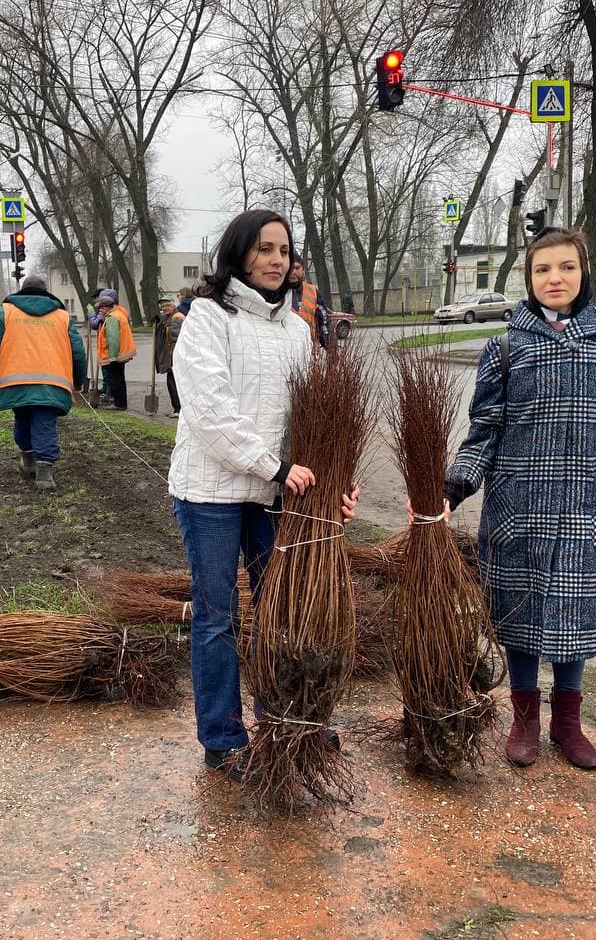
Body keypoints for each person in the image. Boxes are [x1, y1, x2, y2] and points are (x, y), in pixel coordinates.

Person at [441, 227, 596, 771]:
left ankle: (568, 724)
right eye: (542, 270)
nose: (554, 278)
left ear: (584, 273)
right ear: (529, 278)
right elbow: (483, 431)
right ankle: (525, 720)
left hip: (589, 512)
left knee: (574, 620)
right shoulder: (506, 349)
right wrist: (453, 489)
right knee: (519, 619)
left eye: (565, 268)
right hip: (517, 511)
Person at [169, 208, 360, 781]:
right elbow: (207, 409)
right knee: (218, 616)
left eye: (283, 250)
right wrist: (273, 466)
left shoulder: (299, 331)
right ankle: (223, 738)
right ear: (238, 253)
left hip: (278, 493)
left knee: (282, 609)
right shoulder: (206, 317)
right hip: (212, 492)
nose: (276, 261)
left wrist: (336, 487)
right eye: (264, 249)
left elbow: (320, 422)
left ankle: (286, 718)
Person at [0, 274, 87, 491]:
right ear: (46, 293)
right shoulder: (63, 317)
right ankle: (44, 474)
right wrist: (79, 380)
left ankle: (27, 460)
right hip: (52, 383)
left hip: (15, 382)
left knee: (23, 418)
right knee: (45, 423)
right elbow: (78, 352)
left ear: (22, 292)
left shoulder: (6, 312)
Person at [96, 289, 135, 411]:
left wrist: (112, 357)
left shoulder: (112, 318)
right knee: (120, 379)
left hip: (114, 356)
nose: (100, 311)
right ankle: (121, 402)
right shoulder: (119, 315)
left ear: (105, 307)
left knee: (115, 380)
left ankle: (119, 404)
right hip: (121, 354)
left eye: (101, 308)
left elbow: (113, 339)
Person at [285, 257, 332, 350]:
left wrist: (330, 348)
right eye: (289, 268)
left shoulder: (312, 291)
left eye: (297, 268)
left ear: (303, 270)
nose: (293, 272)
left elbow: (324, 321)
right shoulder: (275, 292)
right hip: (285, 349)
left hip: (309, 349)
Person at [153, 296, 184, 418]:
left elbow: (175, 338)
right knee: (171, 383)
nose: (164, 308)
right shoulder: (169, 317)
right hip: (170, 357)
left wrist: (163, 326)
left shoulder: (177, 318)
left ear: (173, 306)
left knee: (174, 384)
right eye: (162, 306)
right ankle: (176, 408)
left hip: (174, 357)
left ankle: (179, 409)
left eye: (167, 305)